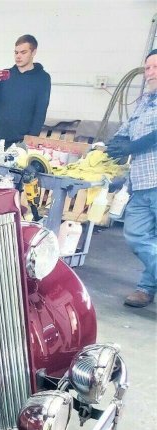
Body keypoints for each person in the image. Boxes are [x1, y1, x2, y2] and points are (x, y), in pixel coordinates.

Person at [106, 49, 157, 308]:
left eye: (156, 67)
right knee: (136, 235)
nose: (150, 73)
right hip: (140, 182)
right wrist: (112, 145)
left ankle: (146, 288)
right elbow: (126, 129)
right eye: (147, 68)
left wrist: (133, 147)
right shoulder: (145, 100)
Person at [0, 34, 51, 147]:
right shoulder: (4, 75)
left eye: (23, 52)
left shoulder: (42, 78)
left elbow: (40, 112)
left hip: (19, 143)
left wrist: (30, 141)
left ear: (33, 52)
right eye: (16, 52)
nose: (18, 56)